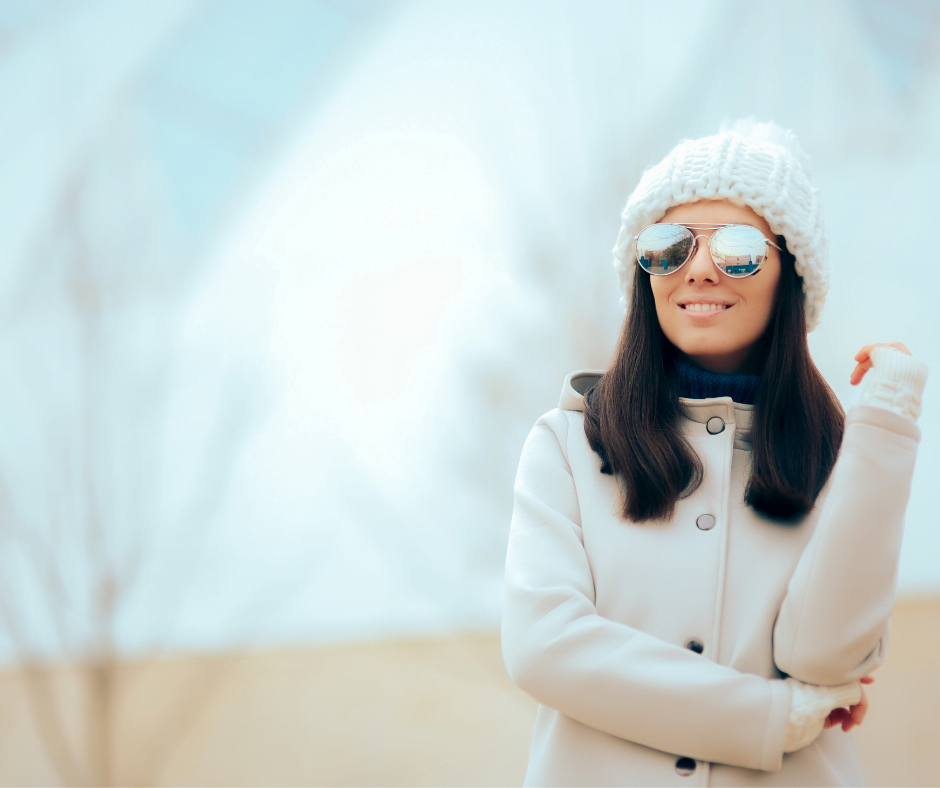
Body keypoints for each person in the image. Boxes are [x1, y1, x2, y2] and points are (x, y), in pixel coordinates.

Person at [500, 120, 928, 787]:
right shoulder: (567, 446)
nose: (699, 267)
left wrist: (889, 421)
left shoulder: (841, 455)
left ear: (791, 271)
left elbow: (822, 657)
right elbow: (543, 646)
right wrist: (770, 717)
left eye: (737, 248)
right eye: (668, 246)